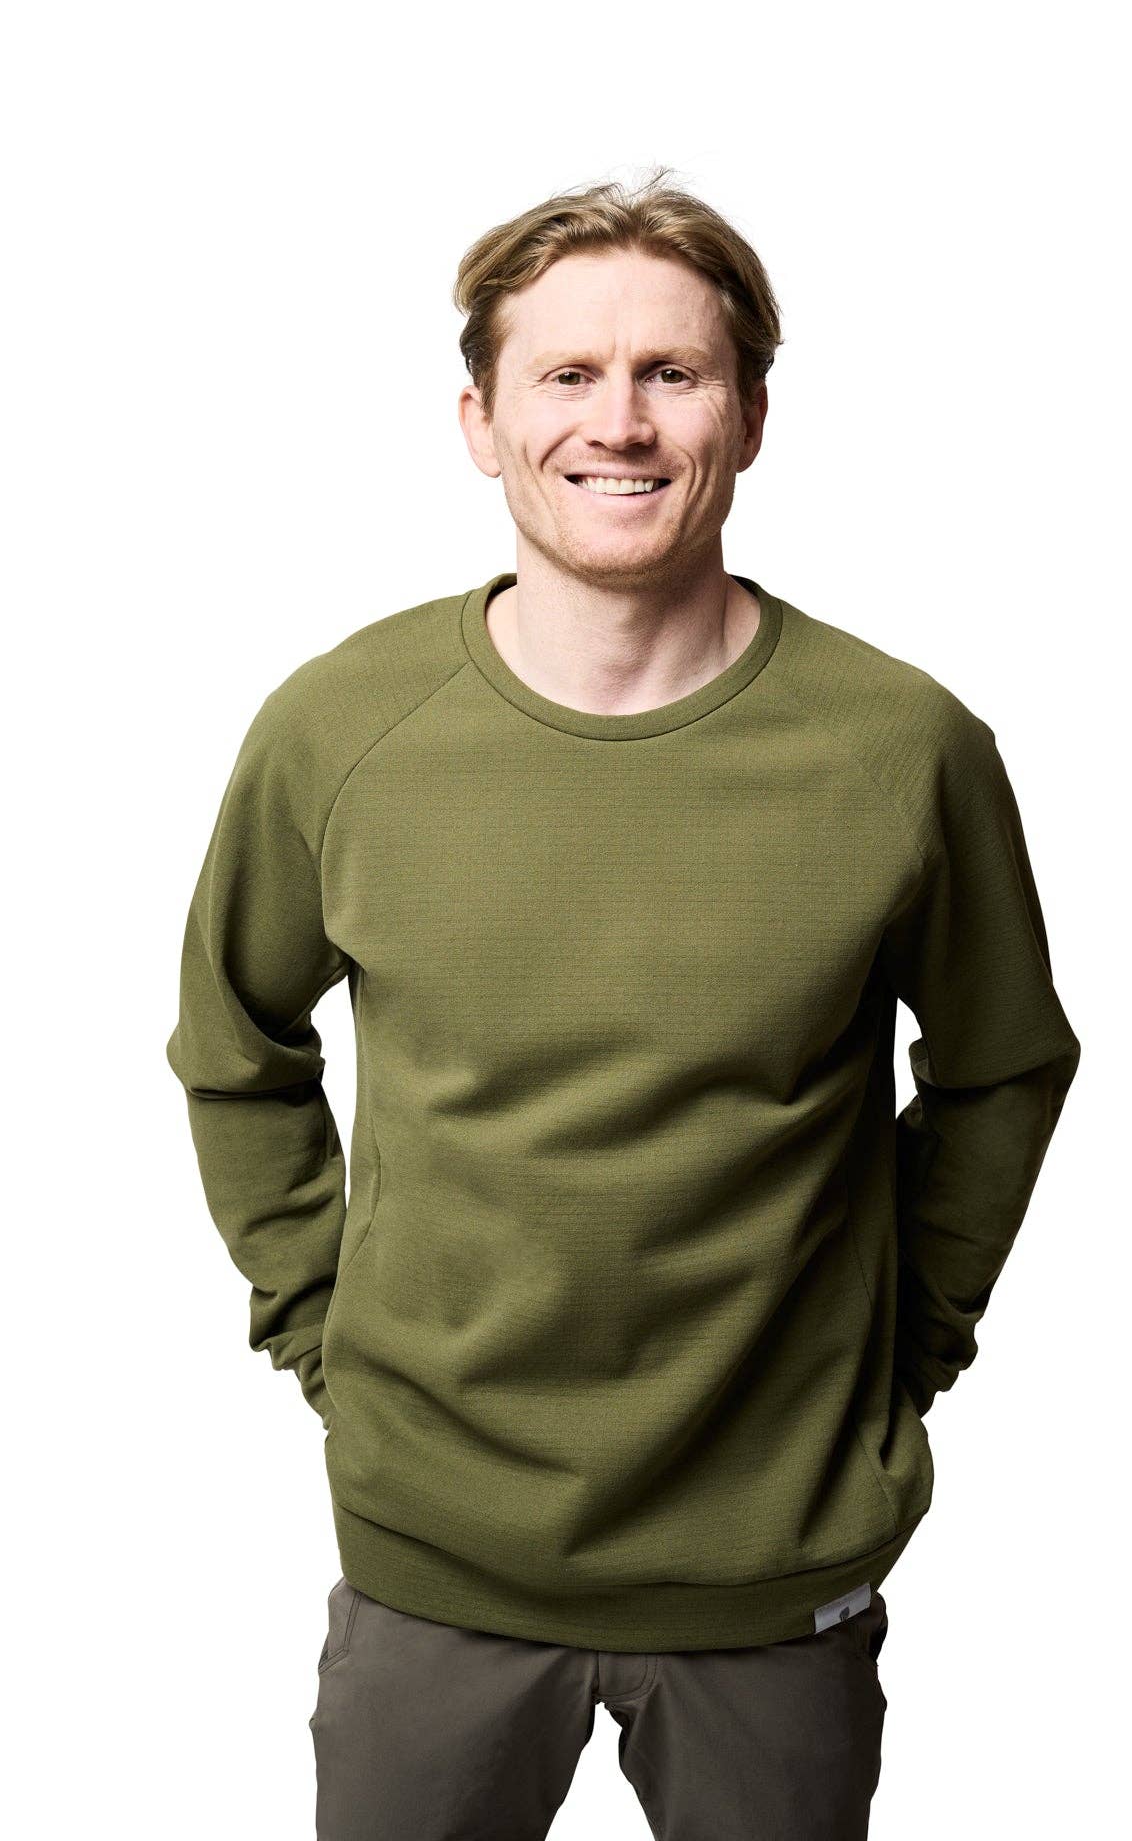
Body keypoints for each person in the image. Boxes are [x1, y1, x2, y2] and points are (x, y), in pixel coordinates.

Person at [166, 170, 1081, 1840]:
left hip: (774, 1565)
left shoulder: (903, 751)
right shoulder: (338, 732)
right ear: (480, 422)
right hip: (432, 1557)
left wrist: (905, 1347)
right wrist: (323, 1334)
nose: (621, 423)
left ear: (749, 417)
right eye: (568, 375)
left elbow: (1001, 1069)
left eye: (672, 372)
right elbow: (236, 1049)